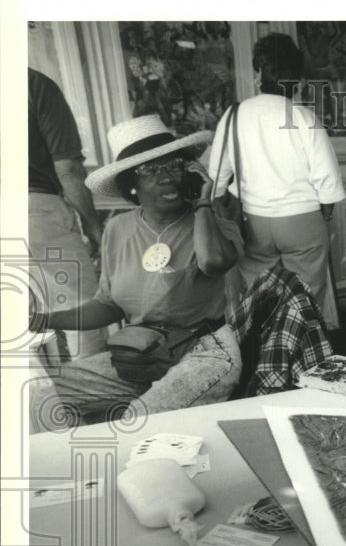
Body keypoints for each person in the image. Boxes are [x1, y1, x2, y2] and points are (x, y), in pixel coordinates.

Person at [28, 115, 244, 433]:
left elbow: (214, 262)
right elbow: (108, 305)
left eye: (173, 166)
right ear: (131, 182)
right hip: (140, 356)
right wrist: (44, 319)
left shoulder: (213, 225)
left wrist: (202, 203)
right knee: (40, 397)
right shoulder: (118, 228)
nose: (166, 177)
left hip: (205, 353)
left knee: (134, 424)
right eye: (150, 170)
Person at [208, 33, 345, 327]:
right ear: (298, 79)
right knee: (306, 298)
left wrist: (225, 206)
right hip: (303, 221)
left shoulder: (234, 115)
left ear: (259, 73)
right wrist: (325, 217)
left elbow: (216, 180)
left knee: (260, 295)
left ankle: (263, 356)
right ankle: (302, 355)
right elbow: (328, 182)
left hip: (253, 220)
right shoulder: (305, 117)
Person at [28, 68, 105, 359]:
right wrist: (94, 228)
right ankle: (90, 399)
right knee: (83, 314)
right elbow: (68, 170)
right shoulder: (33, 84)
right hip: (34, 211)